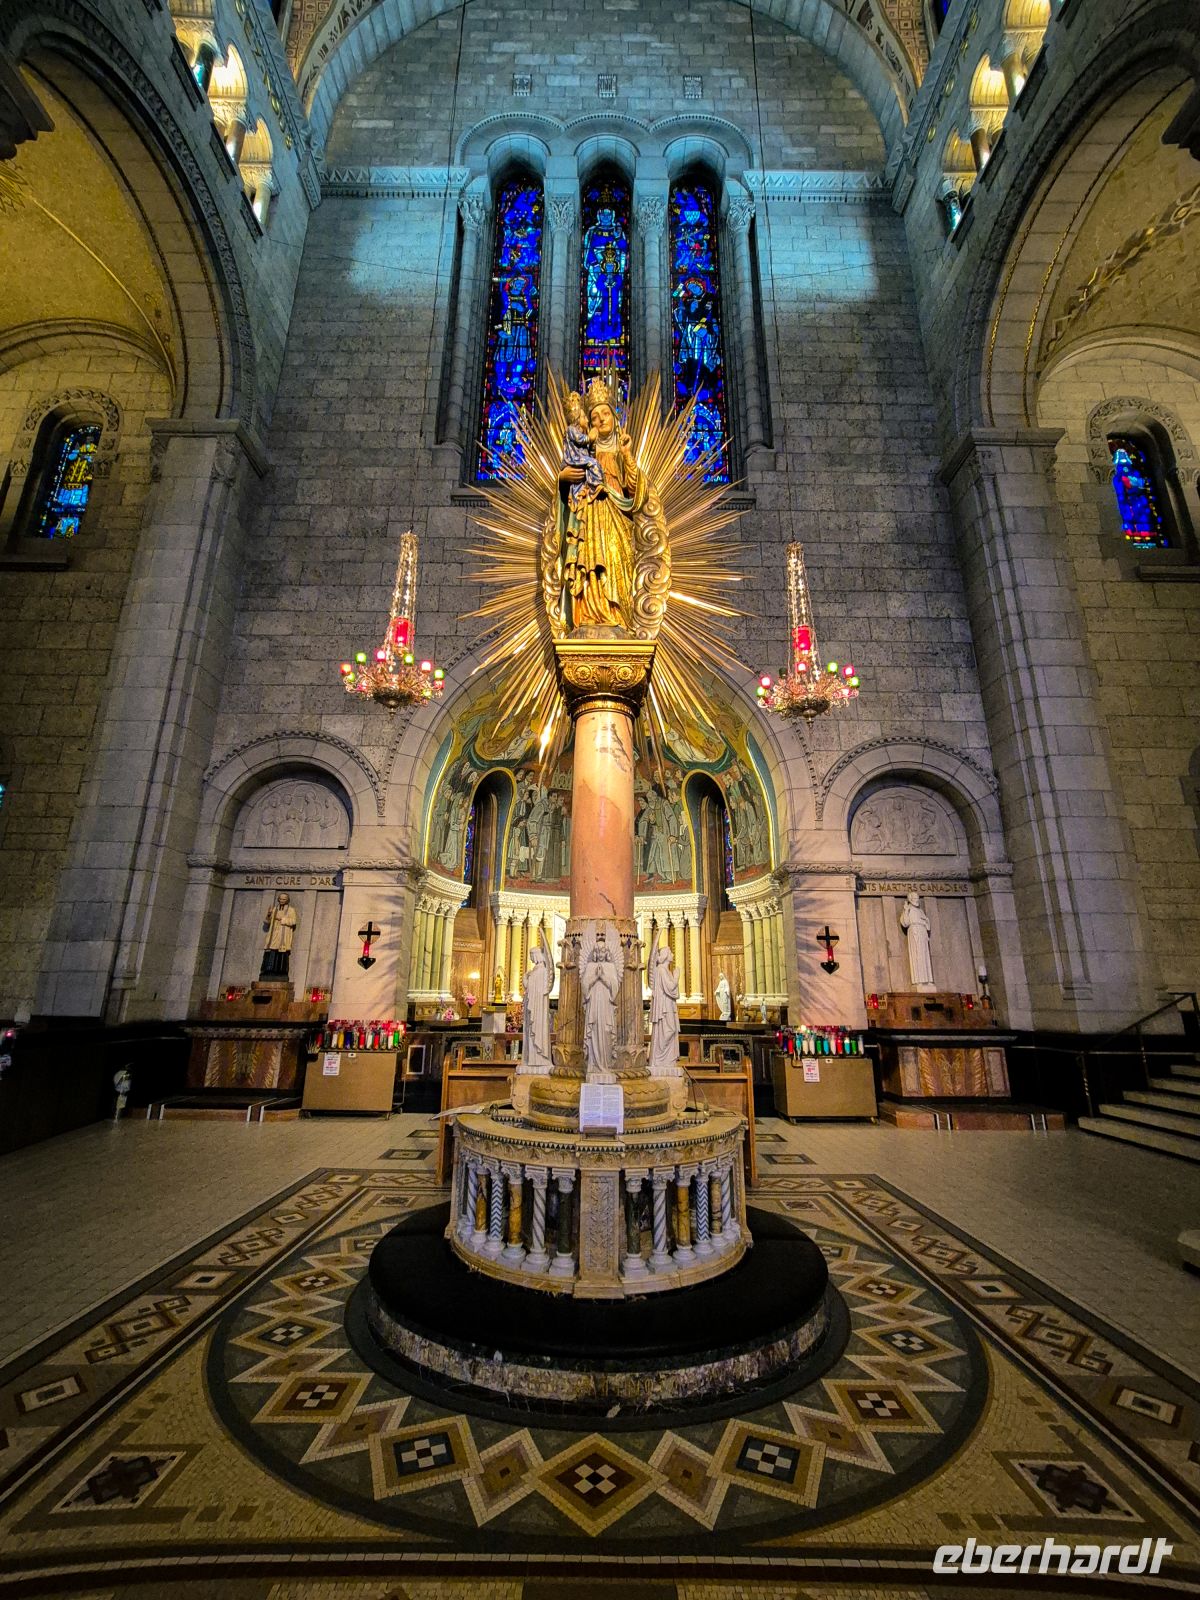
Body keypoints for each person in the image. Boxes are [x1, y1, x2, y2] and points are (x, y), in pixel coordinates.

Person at [521, 926, 555, 1074]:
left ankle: (538, 1060)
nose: (531, 958)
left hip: (537, 1010)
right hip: (533, 1008)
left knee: (537, 1033)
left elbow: (533, 989)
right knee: (532, 1033)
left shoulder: (541, 972)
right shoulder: (537, 971)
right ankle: (533, 1060)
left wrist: (526, 979)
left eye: (532, 955)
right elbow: (530, 989)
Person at [260, 893, 298, 980]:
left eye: (284, 899)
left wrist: (282, 919)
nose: (282, 901)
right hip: (274, 933)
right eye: (280, 899)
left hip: (283, 934)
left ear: (287, 900)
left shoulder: (291, 910)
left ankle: (281, 971)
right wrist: (269, 914)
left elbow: (293, 921)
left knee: (282, 953)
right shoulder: (274, 909)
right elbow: (267, 922)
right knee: (272, 951)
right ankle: (268, 970)